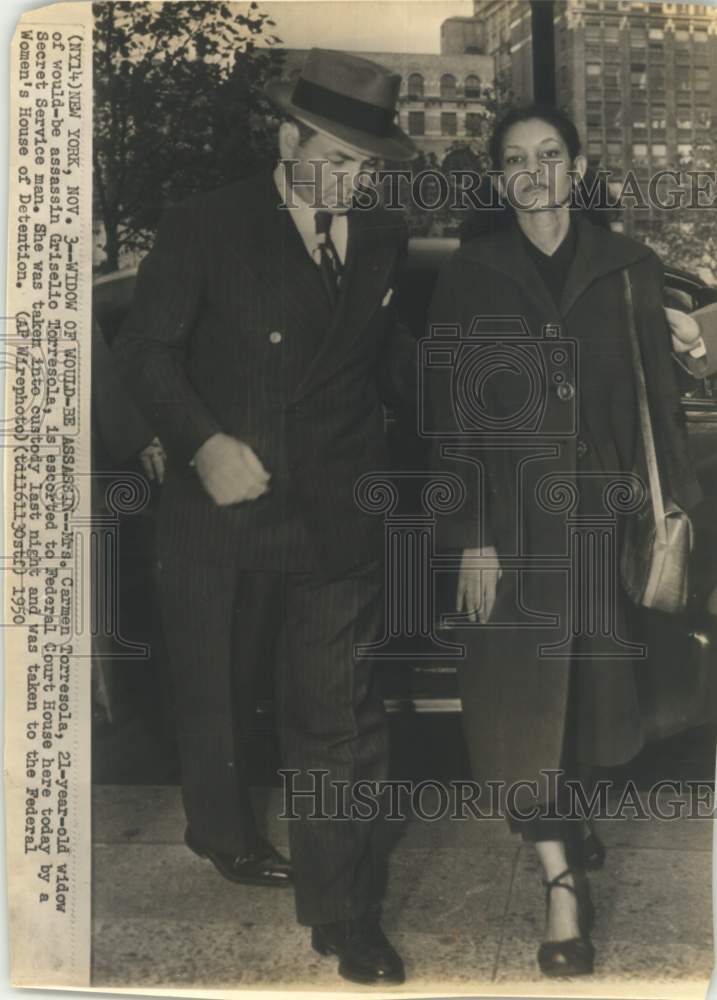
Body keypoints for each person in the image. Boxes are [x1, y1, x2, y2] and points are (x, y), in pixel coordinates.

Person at [113, 49, 417, 985]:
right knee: (215, 698)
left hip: (333, 521)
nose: (350, 180)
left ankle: (346, 915)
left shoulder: (382, 237)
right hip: (222, 515)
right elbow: (148, 353)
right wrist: (203, 443)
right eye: (332, 154)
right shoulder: (205, 225)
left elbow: (378, 372)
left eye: (366, 165)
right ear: (286, 138)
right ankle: (222, 830)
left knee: (340, 724)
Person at [426, 104, 710, 978]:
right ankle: (559, 887)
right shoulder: (472, 274)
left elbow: (666, 400)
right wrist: (471, 536)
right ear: (498, 176)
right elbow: (449, 421)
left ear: (577, 166)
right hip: (509, 538)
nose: (536, 171)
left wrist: (672, 516)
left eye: (551, 154)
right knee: (519, 715)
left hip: (603, 524)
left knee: (591, 708)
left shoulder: (627, 266)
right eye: (517, 159)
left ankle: (566, 822)